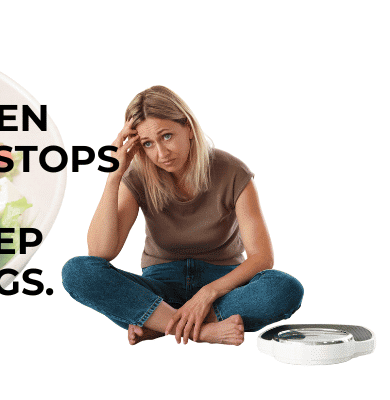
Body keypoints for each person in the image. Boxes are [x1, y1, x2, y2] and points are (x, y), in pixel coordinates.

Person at [62, 86, 303, 346]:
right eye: (148, 143)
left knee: (284, 288)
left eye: (166, 136)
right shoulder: (137, 177)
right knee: (77, 272)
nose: (161, 153)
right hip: (160, 291)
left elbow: (262, 257)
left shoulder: (233, 172)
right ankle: (201, 329)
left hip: (223, 288)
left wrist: (207, 294)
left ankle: (159, 325)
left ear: (188, 127)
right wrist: (114, 176)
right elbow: (100, 252)